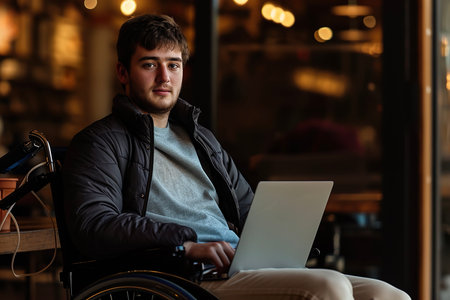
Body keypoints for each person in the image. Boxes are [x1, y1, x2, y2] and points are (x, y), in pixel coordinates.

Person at [62, 14, 411, 300]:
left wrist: (279, 237)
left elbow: (248, 209)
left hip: (239, 266)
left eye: (174, 64)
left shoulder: (201, 139)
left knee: (388, 295)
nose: (165, 77)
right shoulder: (99, 143)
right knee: (329, 288)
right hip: (182, 276)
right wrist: (185, 244)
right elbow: (95, 226)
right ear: (123, 73)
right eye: (149, 65)